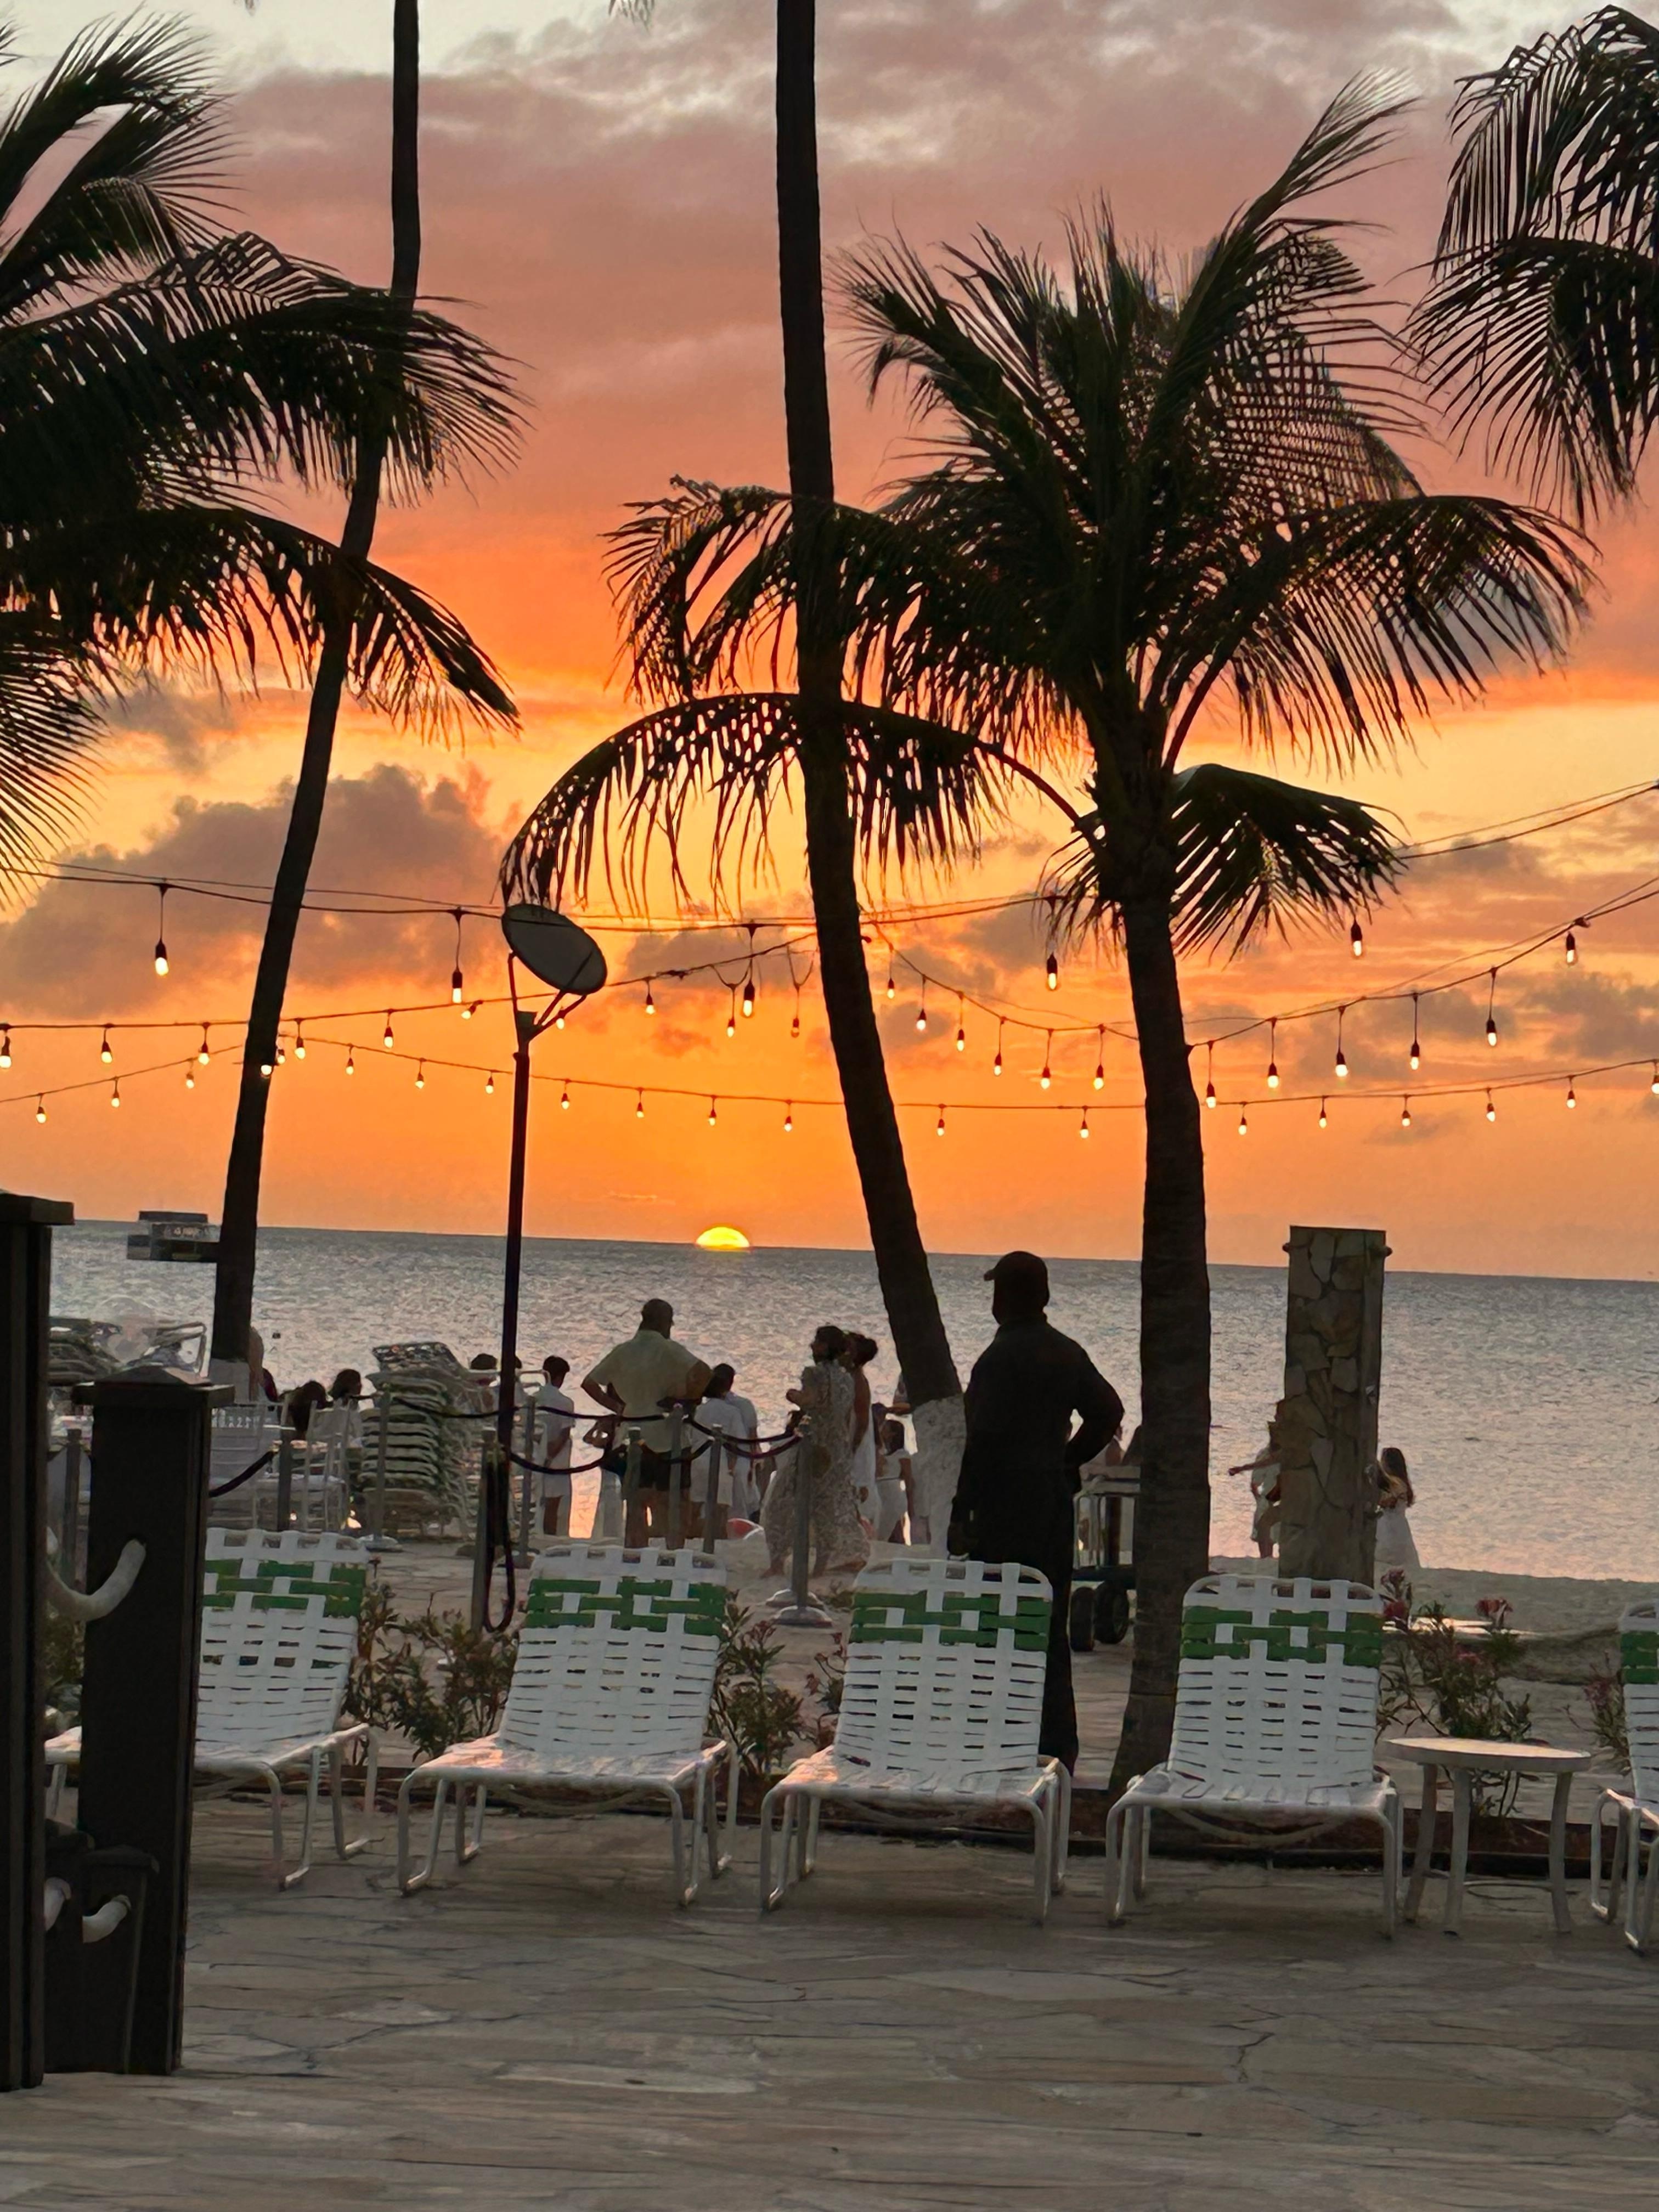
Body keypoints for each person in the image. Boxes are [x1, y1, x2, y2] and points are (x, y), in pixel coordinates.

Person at [950, 1251, 1124, 1773]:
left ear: (1006, 1298)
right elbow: (1108, 1412)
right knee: (1047, 1627)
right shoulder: (1065, 1353)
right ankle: (1056, 1747)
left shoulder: (996, 1360)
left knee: (997, 1624)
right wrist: (1067, 1460)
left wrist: (963, 1511)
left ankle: (999, 1738)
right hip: (1049, 1505)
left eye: (998, 1292)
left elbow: (980, 1445)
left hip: (1002, 1508)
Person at [582, 1299, 709, 1543]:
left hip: (632, 1433)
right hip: (667, 1435)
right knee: (674, 1501)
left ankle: (636, 1552)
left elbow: (589, 1383)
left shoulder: (623, 1350)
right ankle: (672, 1552)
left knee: (637, 1501)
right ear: (664, 1322)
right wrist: (685, 1398)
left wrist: (619, 1407)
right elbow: (704, 1373)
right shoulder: (669, 1349)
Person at [761, 1325, 868, 1579]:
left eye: (817, 1343)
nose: (812, 1346)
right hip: (838, 1446)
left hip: (815, 1443)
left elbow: (810, 1400)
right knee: (826, 1507)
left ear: (825, 1347)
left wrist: (793, 1396)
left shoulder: (814, 1373)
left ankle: (778, 1561)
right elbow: (844, 1415)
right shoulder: (846, 1377)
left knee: (782, 1501)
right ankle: (821, 1564)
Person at [695, 1364, 759, 1536]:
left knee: (705, 1506)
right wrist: (747, 1466)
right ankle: (727, 1536)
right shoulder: (741, 1407)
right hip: (733, 1463)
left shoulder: (699, 1411)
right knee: (731, 1507)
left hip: (701, 1462)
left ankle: (706, 1536)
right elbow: (742, 1440)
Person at [1226, 1406, 1285, 1559]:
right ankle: (1266, 1560)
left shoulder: (1289, 1449)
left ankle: (1268, 1559)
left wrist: (1242, 1468)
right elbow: (1265, 1465)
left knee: (1267, 1524)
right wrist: (1241, 1468)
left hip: (1284, 1497)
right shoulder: (1269, 1453)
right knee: (1264, 1523)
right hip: (1272, 1497)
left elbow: (1270, 1461)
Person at [535, 1356, 575, 1538]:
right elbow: (564, 1433)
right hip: (557, 1459)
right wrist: (551, 1455)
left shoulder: (533, 1399)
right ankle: (550, 1538)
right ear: (560, 1377)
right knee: (554, 1505)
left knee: (536, 1500)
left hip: (535, 1455)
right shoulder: (565, 1402)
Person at [844, 1333, 881, 1527]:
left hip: (854, 1445)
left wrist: (851, 1448)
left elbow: (863, 1421)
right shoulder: (848, 1378)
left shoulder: (858, 1381)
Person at [1372, 1444, 1421, 1573]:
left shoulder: (1396, 1484)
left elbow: (1386, 1499)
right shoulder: (1402, 1484)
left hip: (1389, 1529)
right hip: (1399, 1528)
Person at [875, 1415, 910, 1542]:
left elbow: (908, 1477)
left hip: (892, 1493)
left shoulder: (901, 1454)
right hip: (880, 1491)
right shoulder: (881, 1452)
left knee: (887, 1529)